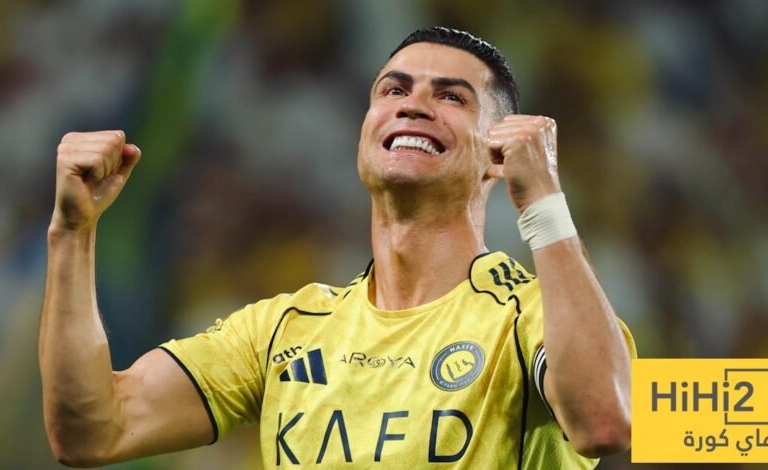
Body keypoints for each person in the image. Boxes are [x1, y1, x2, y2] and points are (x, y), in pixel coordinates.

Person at [40, 27, 636, 468]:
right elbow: (92, 432)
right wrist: (71, 233)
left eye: (452, 97)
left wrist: (543, 203)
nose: (413, 103)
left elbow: (607, 423)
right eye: (393, 89)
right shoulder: (284, 330)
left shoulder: (532, 316)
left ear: (498, 154)